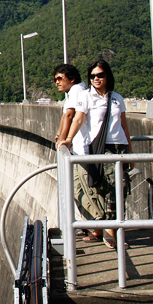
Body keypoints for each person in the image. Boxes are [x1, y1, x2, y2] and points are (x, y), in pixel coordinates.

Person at [85, 60, 133, 249]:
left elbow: (124, 124)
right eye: (93, 76)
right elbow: (77, 119)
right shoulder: (87, 97)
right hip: (101, 148)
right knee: (111, 187)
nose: (96, 78)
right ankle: (110, 231)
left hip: (120, 147)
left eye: (100, 75)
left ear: (107, 76)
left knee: (121, 187)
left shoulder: (117, 98)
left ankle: (112, 229)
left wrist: (130, 150)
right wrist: (66, 138)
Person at [54, 64, 102, 242]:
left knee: (85, 190)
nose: (57, 82)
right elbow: (65, 116)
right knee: (78, 189)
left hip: (85, 149)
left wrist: (63, 138)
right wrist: (59, 135)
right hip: (80, 149)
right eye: (55, 79)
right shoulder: (75, 91)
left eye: (60, 78)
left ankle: (98, 227)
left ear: (72, 78)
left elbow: (70, 115)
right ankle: (91, 225)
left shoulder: (77, 91)